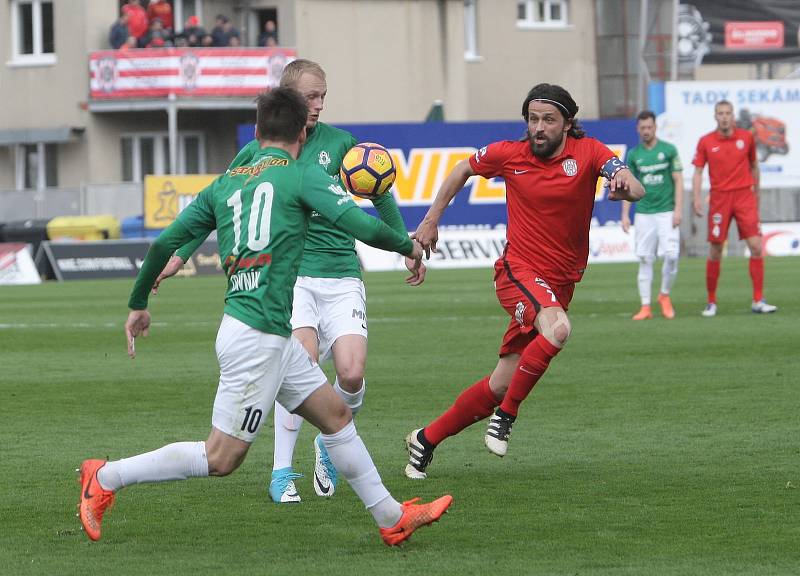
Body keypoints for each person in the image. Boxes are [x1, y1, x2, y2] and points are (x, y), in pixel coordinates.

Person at [77, 86, 452, 546]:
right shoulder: (300, 176)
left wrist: (139, 303)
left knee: (336, 416)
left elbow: (161, 245)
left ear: (256, 132)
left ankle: (392, 518)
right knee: (221, 458)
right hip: (258, 338)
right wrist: (409, 245)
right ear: (301, 133)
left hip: (262, 331)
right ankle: (105, 477)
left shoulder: (226, 182)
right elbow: (360, 224)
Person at [154, 59, 423, 504]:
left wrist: (405, 245)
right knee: (300, 361)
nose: (318, 105)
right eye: (310, 97)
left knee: (352, 374)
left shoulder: (343, 145)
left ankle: (329, 444)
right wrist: (179, 254)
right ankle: (282, 471)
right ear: (289, 98)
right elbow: (219, 201)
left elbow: (380, 194)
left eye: (323, 96)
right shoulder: (262, 151)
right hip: (292, 274)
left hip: (341, 273)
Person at [404, 83, 644, 479]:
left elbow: (635, 185)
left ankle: (426, 439)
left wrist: (624, 188)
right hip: (518, 271)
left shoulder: (590, 153)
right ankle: (506, 418)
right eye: (532, 119)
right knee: (558, 328)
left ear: (568, 123)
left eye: (548, 120)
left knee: (500, 383)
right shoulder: (509, 155)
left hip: (559, 283)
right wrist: (431, 220)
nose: (538, 127)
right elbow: (462, 168)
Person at [692, 100, 777, 317]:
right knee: (716, 250)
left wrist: (756, 193)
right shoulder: (706, 141)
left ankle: (758, 300)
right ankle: (711, 302)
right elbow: (698, 171)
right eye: (720, 113)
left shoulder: (746, 137)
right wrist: (696, 198)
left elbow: (754, 167)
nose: (724, 117)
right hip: (720, 198)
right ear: (715, 116)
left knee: (756, 246)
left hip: (744, 195)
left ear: (733, 116)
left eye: (728, 113)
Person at [621, 110, 683, 320]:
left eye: (649, 127)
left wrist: (678, 210)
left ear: (655, 127)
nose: (646, 131)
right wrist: (625, 215)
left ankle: (664, 295)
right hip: (644, 214)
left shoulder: (669, 150)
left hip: (666, 212)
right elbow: (627, 185)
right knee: (645, 259)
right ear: (638, 129)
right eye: (643, 128)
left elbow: (678, 181)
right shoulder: (634, 154)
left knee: (672, 256)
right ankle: (645, 306)